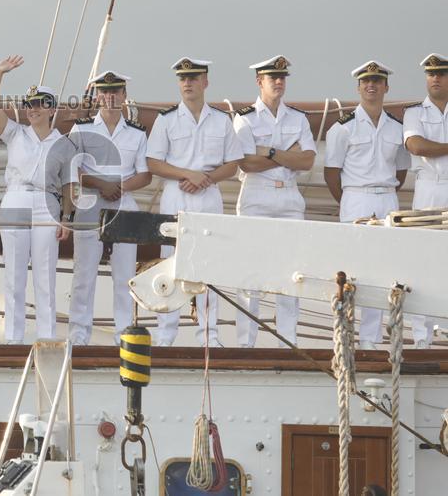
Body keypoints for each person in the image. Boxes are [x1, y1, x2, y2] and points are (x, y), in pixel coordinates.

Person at [146, 58, 242, 347]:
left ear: (205, 82)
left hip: (208, 195)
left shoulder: (221, 120)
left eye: (194, 77)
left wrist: (206, 178)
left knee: (208, 265)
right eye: (183, 78)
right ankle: (166, 335)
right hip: (176, 194)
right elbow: (153, 162)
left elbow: (234, 164)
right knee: (170, 265)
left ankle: (209, 336)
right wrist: (187, 174)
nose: (187, 83)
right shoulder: (166, 119)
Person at [0, 57, 75, 344]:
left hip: (48, 203)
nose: (32, 109)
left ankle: (47, 337)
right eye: (29, 104)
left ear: (51, 109)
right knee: (14, 272)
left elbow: (70, 186)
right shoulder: (15, 133)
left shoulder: (64, 143)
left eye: (38, 104)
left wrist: (67, 219)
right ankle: (14, 336)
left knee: (45, 274)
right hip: (16, 198)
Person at [324, 61, 409, 350]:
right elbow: (332, 172)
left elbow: (401, 169)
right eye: (365, 81)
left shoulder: (397, 128)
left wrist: (382, 190)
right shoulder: (342, 127)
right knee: (351, 268)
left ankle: (371, 339)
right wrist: (348, 200)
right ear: (358, 88)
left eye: (376, 80)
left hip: (386, 196)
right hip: (355, 196)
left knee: (382, 267)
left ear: (386, 87)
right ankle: (346, 334)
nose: (371, 85)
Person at [233, 55, 316, 347]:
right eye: (273, 78)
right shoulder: (244, 118)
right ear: (260, 82)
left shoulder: (298, 117)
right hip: (257, 195)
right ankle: (246, 343)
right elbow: (246, 164)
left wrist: (269, 151)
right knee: (250, 272)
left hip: (290, 198)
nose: (279, 82)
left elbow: (307, 161)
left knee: (291, 273)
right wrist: (286, 154)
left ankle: (288, 343)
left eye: (282, 77)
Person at [67, 71, 152, 345]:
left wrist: (119, 188)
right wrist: (100, 184)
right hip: (91, 203)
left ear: (124, 95)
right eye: (104, 92)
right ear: (97, 96)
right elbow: (69, 168)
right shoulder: (82, 129)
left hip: (124, 203)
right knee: (84, 273)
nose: (110, 97)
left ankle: (123, 335)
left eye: (115, 91)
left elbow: (145, 174)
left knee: (125, 276)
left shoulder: (137, 134)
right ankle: (79, 335)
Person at [402, 53, 448, 349]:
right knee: (424, 259)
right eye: (431, 73)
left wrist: (439, 148)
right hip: (428, 188)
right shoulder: (414, 113)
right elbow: (417, 145)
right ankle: (422, 337)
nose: (435, 78)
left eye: (441, 73)